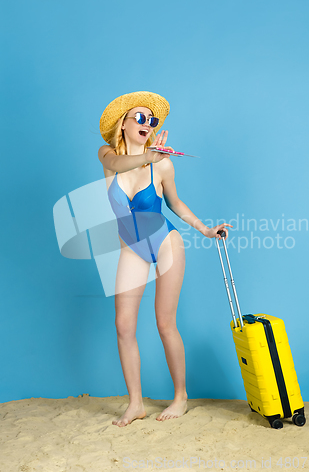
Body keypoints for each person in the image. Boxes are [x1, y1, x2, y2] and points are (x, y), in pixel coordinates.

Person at [98, 91, 232, 427]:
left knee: (164, 323)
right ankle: (136, 404)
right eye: (140, 118)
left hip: (166, 242)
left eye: (152, 120)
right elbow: (119, 164)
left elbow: (175, 203)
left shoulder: (163, 163)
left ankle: (181, 397)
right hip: (132, 247)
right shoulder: (108, 156)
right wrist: (148, 158)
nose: (148, 123)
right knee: (123, 325)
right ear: (124, 124)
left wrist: (203, 229)